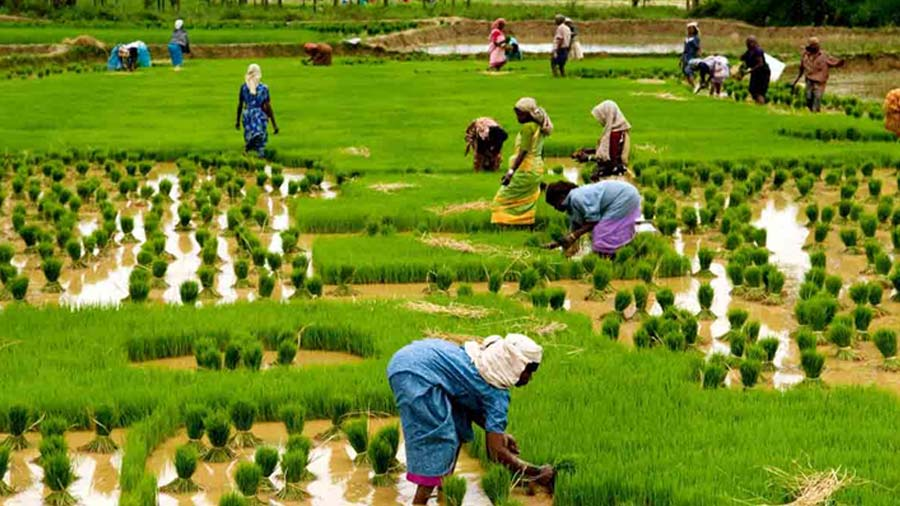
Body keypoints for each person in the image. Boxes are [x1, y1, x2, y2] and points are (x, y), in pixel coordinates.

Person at [387, 335, 555, 505]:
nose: (529, 378)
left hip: (408, 359)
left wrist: (500, 434)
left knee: (457, 426)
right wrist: (536, 471)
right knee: (442, 440)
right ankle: (419, 502)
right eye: (528, 372)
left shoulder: (483, 363)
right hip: (415, 374)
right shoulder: (498, 394)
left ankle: (446, 490)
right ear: (515, 365)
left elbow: (469, 403)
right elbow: (495, 453)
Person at [491, 98, 553, 226]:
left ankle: (505, 225)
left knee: (501, 199)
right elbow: (540, 151)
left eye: (519, 114)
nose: (517, 117)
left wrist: (510, 172)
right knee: (525, 200)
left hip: (526, 169)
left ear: (528, 114)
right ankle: (524, 224)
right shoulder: (539, 127)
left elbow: (523, 152)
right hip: (536, 169)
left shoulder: (527, 128)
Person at [543, 180, 642, 257]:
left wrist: (573, 236)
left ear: (562, 196)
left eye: (554, 204)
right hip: (627, 194)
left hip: (624, 196)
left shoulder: (576, 198)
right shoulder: (572, 206)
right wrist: (557, 244)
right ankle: (619, 255)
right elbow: (575, 229)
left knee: (602, 232)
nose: (555, 208)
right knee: (607, 233)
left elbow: (593, 221)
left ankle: (606, 260)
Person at [573, 101, 631, 181]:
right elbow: (609, 151)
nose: (600, 120)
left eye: (601, 116)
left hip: (611, 178)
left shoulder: (614, 134)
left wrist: (588, 158)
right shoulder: (620, 130)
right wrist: (589, 150)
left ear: (608, 115)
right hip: (616, 175)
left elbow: (610, 161)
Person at [235, 64, 279, 158]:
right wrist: (274, 124)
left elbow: (240, 105)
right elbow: (267, 106)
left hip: (247, 115)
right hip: (259, 116)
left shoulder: (243, 88)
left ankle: (249, 156)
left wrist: (238, 121)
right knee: (260, 139)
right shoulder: (264, 88)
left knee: (250, 135)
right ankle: (257, 155)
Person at [792, 37, 844, 113]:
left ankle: (815, 113)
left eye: (816, 45)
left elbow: (834, 62)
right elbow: (801, 68)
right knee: (808, 97)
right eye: (812, 45)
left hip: (819, 81)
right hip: (809, 79)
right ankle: (811, 112)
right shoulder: (805, 56)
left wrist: (840, 62)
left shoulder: (824, 56)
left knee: (817, 98)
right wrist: (795, 81)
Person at [739, 36, 771, 105]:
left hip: (763, 73)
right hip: (756, 73)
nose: (747, 45)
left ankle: (761, 105)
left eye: (748, 43)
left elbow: (760, 63)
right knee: (752, 90)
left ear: (753, 43)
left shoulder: (758, 51)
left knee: (759, 92)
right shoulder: (749, 51)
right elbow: (743, 58)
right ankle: (759, 104)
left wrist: (749, 71)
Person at [680, 22, 701, 88]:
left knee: (688, 70)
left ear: (694, 29)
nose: (689, 30)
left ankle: (695, 85)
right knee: (684, 71)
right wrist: (682, 58)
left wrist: (698, 56)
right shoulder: (687, 38)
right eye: (688, 28)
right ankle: (692, 85)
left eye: (691, 28)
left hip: (692, 56)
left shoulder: (695, 38)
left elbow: (698, 48)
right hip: (685, 56)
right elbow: (685, 48)